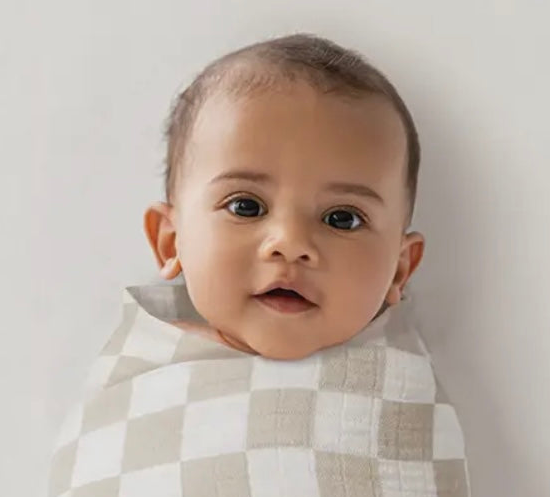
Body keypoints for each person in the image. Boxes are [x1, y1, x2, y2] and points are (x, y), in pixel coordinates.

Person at [143, 32, 426, 361]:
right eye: (246, 207)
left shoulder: (400, 377)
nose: (291, 244)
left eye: (342, 219)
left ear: (398, 270)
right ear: (171, 242)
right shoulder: (146, 365)